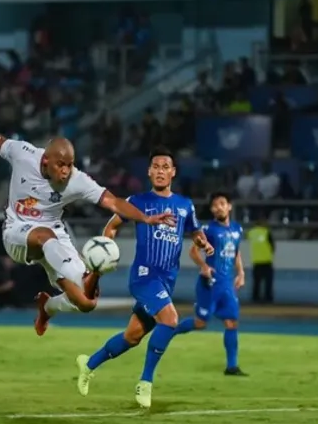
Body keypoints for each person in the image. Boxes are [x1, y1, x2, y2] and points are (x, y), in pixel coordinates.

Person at [0, 134, 174, 336]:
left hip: (54, 238)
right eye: (61, 165)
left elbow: (113, 202)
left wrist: (145, 218)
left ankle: (48, 306)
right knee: (43, 235)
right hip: (17, 232)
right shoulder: (24, 154)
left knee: (87, 301)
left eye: (70, 164)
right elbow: (2, 142)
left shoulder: (77, 180)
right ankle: (81, 275)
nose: (66, 171)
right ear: (46, 161)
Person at [74, 148, 214, 408]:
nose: (160, 171)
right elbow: (112, 225)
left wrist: (203, 243)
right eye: (156, 166)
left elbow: (194, 232)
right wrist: (105, 249)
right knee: (170, 320)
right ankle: (145, 382)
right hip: (143, 277)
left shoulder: (185, 206)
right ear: (149, 172)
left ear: (173, 172)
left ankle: (88, 364)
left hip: (166, 281)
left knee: (132, 337)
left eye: (165, 166)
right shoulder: (138, 201)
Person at [175, 192, 248, 376]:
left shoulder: (237, 230)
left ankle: (232, 366)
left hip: (227, 285)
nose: (218, 207)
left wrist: (240, 273)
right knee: (200, 323)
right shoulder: (208, 230)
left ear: (229, 206)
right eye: (215, 205)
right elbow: (193, 252)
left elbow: (236, 253)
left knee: (231, 322)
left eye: (222, 203)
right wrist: (204, 266)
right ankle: (169, 330)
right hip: (210, 284)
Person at [248, 216, 275, 303]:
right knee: (268, 283)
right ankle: (268, 298)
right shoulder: (266, 232)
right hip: (266, 261)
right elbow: (272, 246)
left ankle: (255, 298)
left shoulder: (251, 233)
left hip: (256, 261)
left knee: (256, 282)